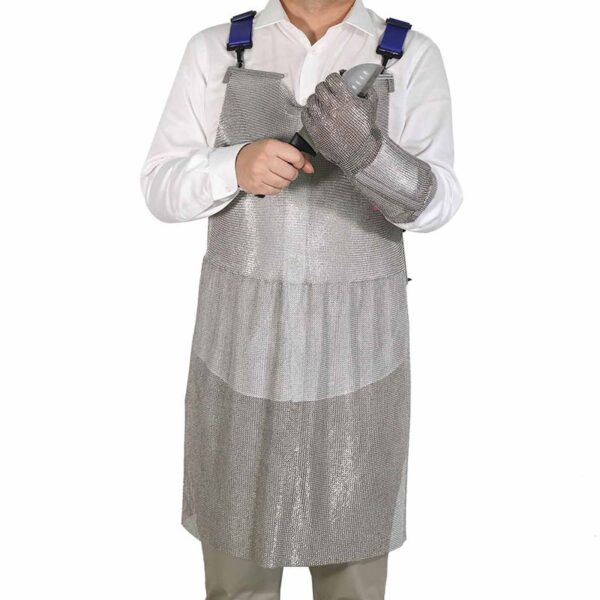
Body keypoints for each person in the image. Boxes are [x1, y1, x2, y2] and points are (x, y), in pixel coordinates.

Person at [140, 0, 462, 598]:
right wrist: (234, 165)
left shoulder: (408, 55)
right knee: (238, 581)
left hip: (358, 361)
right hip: (240, 352)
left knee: (352, 582)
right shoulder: (217, 48)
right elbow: (160, 186)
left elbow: (436, 204)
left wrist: (369, 154)